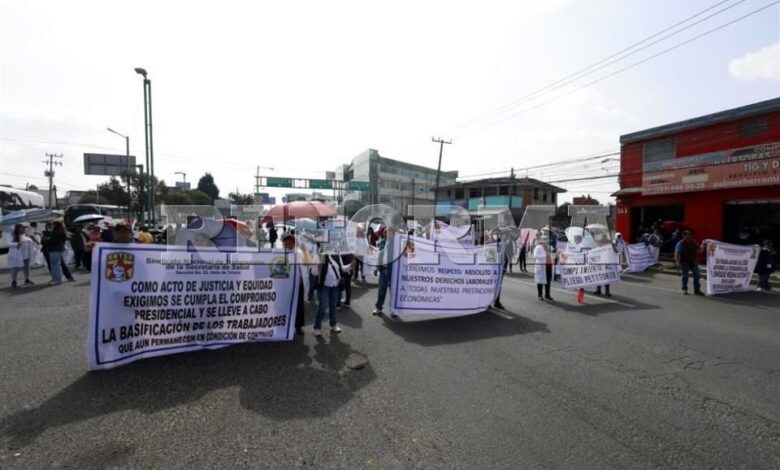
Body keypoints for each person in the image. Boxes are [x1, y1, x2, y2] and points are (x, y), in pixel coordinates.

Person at [282, 233, 308, 334]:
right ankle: (284, 325)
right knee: (285, 304)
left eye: (289, 244)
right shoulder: (281, 253)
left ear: (294, 243)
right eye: (285, 244)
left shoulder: (299, 253)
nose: (287, 246)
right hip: (285, 285)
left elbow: (306, 266)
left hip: (298, 284)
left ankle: (299, 326)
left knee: (299, 306)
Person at [314, 251, 343, 336]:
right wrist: (318, 269)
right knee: (322, 306)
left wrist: (350, 265)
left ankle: (333, 324)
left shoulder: (337, 255)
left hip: (335, 284)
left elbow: (342, 268)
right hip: (324, 285)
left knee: (333, 305)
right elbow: (313, 271)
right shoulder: (320, 255)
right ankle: (317, 327)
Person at [372, 227, 397, 318]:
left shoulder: (397, 244)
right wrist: (376, 268)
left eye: (390, 232)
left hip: (393, 271)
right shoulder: (382, 242)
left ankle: (393, 310)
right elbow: (379, 256)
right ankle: (379, 308)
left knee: (393, 291)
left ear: (394, 234)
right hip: (383, 270)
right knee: (381, 290)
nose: (388, 234)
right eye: (386, 232)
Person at [674, 230, 704, 296]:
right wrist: (677, 262)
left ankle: (697, 290)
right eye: (686, 235)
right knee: (685, 276)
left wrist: (703, 244)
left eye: (689, 234)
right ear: (683, 236)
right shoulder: (680, 243)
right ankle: (685, 289)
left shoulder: (694, 243)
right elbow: (677, 253)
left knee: (696, 275)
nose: (688, 236)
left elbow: (700, 250)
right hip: (684, 261)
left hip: (693, 261)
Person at [47, 220, 74, 285]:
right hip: (59, 249)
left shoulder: (55, 232)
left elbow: (52, 241)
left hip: (54, 249)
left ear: (55, 225)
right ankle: (57, 278)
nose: (52, 225)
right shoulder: (62, 231)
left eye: (53, 224)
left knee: (55, 265)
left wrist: (48, 240)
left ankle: (57, 279)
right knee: (57, 265)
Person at [534, 236, 554, 301]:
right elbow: (536, 256)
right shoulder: (538, 247)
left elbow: (552, 255)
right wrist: (545, 255)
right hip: (541, 266)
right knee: (540, 281)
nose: (546, 243)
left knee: (548, 281)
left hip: (549, 266)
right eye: (545, 241)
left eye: (547, 242)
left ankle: (547, 295)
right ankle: (540, 295)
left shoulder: (550, 247)